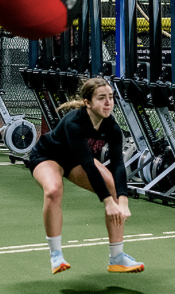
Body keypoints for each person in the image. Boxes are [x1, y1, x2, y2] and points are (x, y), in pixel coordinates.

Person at [26, 76, 143, 275]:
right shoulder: (74, 123)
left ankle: (117, 257)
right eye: (101, 98)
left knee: (111, 184)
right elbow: (89, 165)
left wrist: (122, 200)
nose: (108, 103)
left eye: (111, 97)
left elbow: (117, 164)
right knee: (53, 190)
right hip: (49, 156)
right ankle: (56, 256)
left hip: (75, 159)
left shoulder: (111, 126)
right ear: (88, 103)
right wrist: (108, 202)